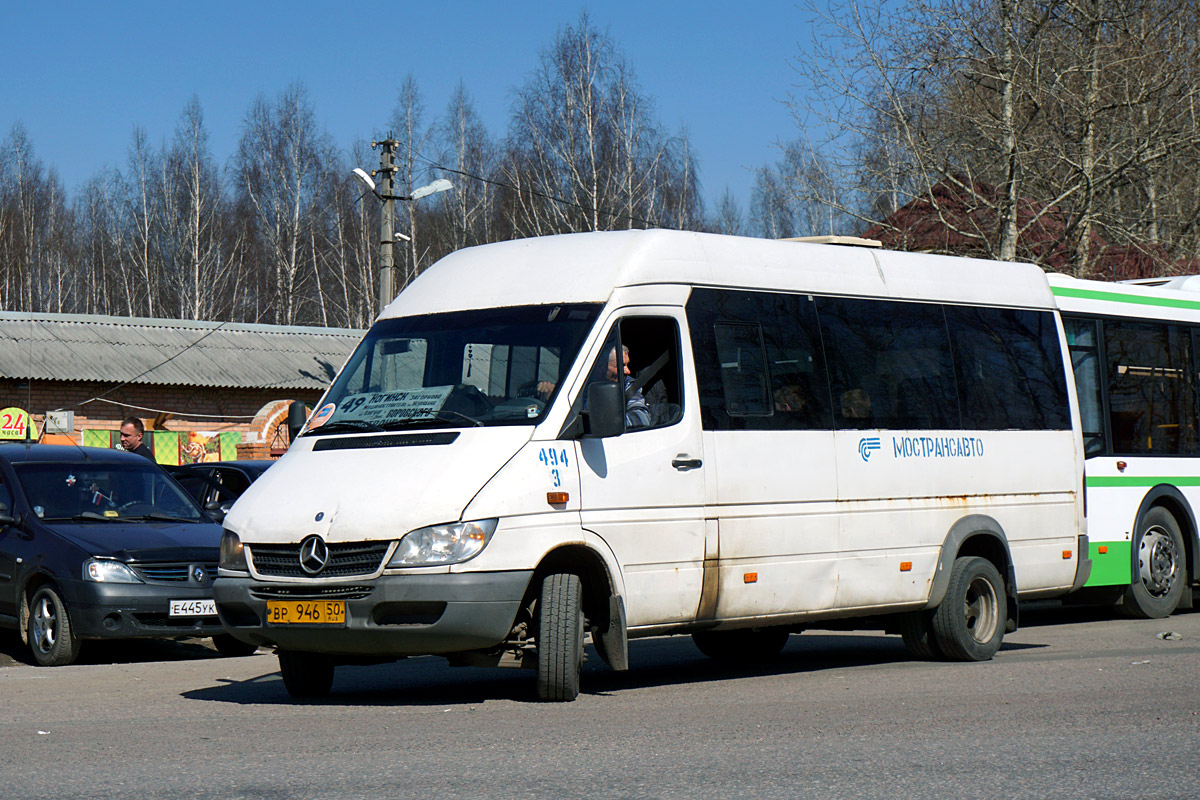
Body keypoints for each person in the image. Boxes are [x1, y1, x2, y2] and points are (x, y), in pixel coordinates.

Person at [535, 344, 651, 429]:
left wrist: (609, 421)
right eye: (621, 366)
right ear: (600, 366)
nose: (628, 371)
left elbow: (642, 417)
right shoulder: (579, 384)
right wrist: (549, 397)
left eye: (627, 365)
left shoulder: (628, 386)